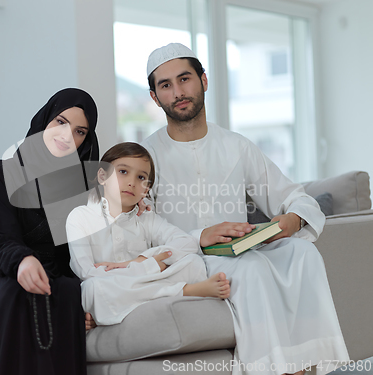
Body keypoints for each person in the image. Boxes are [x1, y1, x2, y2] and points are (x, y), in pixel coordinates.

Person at [141, 43, 349, 375]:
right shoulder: (144, 157)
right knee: (251, 269)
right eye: (165, 85)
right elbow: (138, 235)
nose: (178, 92)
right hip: (186, 261)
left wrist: (292, 220)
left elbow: (295, 196)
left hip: (241, 251)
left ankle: (310, 368)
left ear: (204, 81)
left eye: (185, 79)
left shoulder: (236, 145)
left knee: (303, 254)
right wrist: (199, 237)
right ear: (155, 97)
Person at [0, 88, 100, 375]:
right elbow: (0, 237)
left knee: (68, 291)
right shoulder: (1, 174)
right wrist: (23, 260)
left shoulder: (85, 185)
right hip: (12, 273)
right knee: (15, 291)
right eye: (60, 122)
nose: (67, 136)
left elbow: (90, 248)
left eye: (80, 131)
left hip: (63, 280)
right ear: (45, 120)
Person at [66, 142, 230, 326]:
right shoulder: (79, 217)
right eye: (123, 172)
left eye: (141, 177)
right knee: (92, 289)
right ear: (103, 175)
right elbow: (87, 272)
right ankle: (184, 291)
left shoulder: (147, 219)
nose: (131, 182)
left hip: (142, 283)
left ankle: (118, 310)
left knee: (194, 263)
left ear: (146, 189)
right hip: (113, 285)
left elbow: (187, 242)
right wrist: (150, 267)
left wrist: (138, 261)